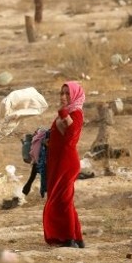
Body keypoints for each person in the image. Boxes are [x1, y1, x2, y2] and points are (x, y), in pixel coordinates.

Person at [43, 81, 85, 248]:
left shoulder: (76, 114)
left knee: (61, 201)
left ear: (75, 95)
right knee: (63, 199)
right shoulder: (67, 113)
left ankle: (68, 238)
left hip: (66, 163)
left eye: (67, 93)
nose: (63, 96)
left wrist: (62, 113)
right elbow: (60, 138)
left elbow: (70, 137)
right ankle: (77, 238)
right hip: (57, 161)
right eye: (61, 93)